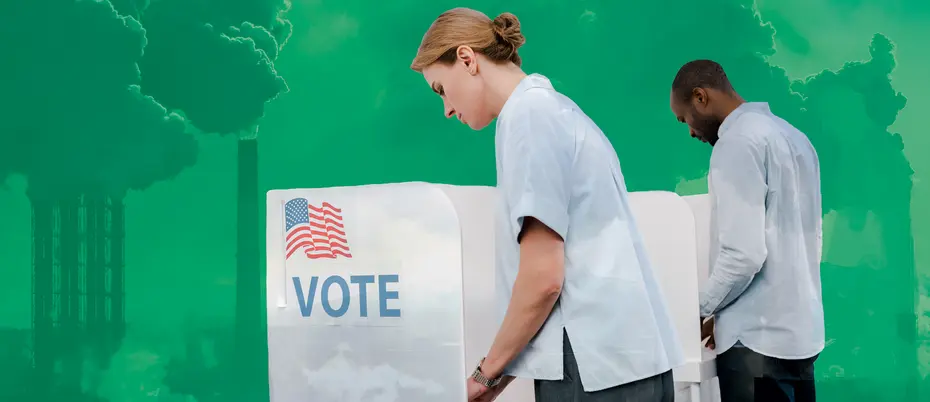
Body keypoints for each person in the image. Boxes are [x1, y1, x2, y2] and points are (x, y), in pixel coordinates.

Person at [411, 7, 684, 402]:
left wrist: (484, 376)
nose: (447, 109)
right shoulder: (557, 110)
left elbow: (544, 279)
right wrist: (499, 375)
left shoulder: (529, 118)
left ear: (467, 59)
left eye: (441, 90)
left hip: (592, 371)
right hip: (629, 362)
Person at [669, 59, 824, 402]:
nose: (691, 131)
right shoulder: (796, 139)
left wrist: (694, 312)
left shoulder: (736, 143)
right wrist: (725, 317)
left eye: (685, 119)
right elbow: (812, 241)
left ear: (700, 97)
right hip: (800, 336)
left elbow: (744, 254)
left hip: (756, 347)